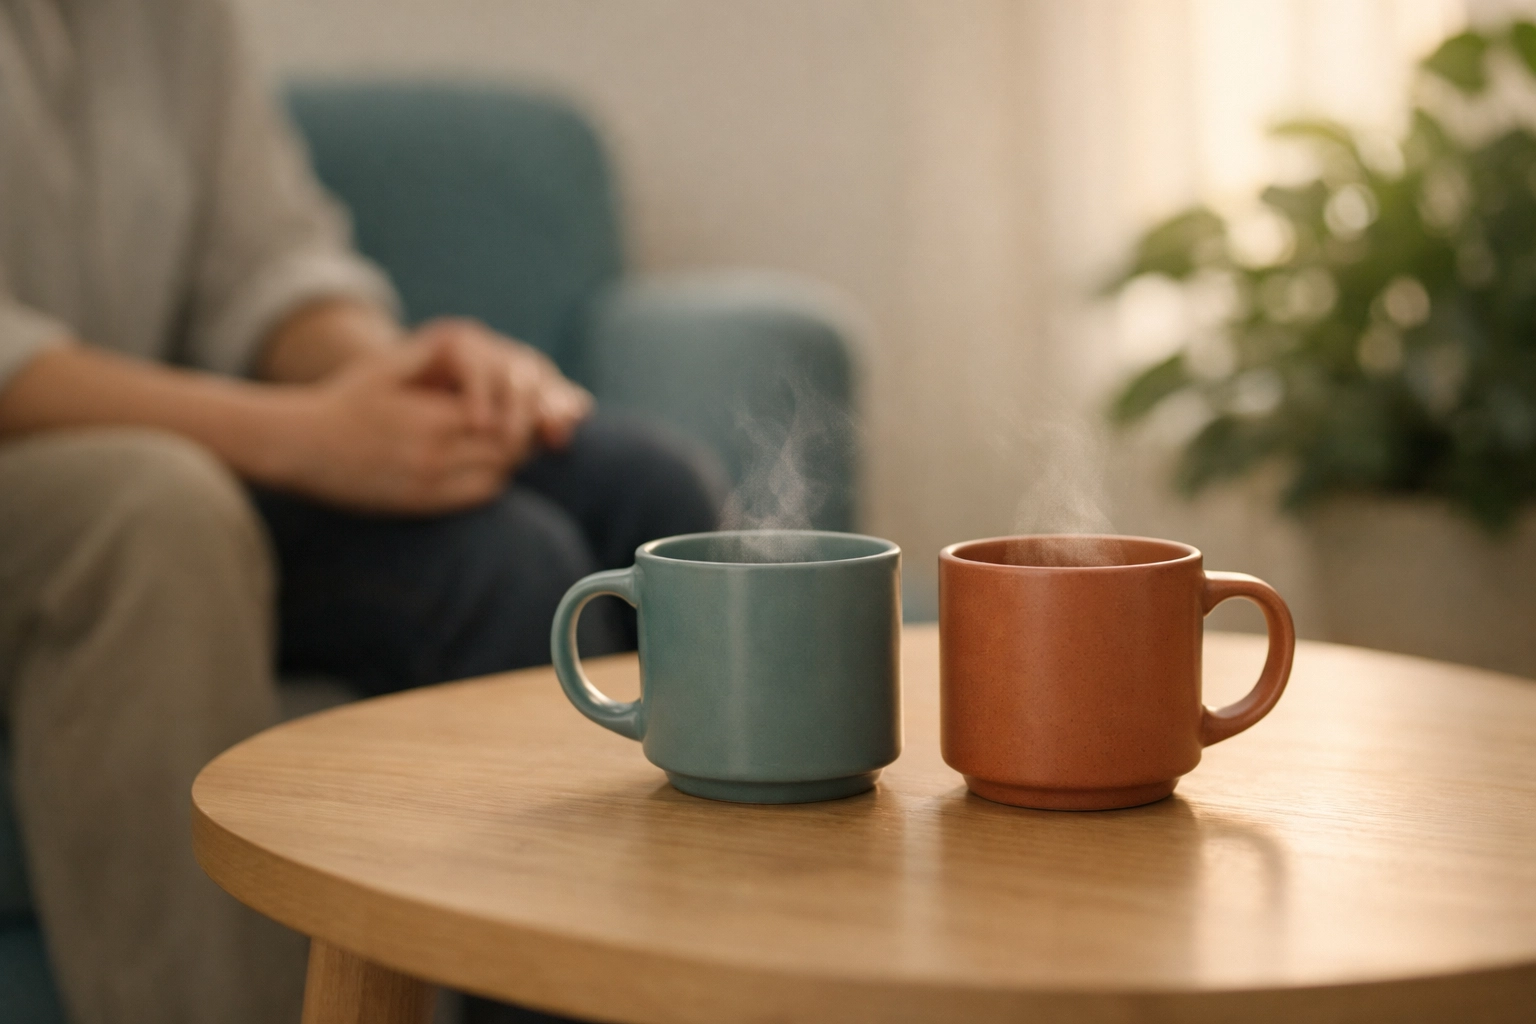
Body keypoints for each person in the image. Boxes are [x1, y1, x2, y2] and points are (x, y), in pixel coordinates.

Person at [0, 0, 724, 1021]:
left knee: (636, 489)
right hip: (92, 481)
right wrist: (300, 435)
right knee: (161, 509)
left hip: (192, 436)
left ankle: (700, 981)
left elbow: (267, 264)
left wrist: (395, 382)